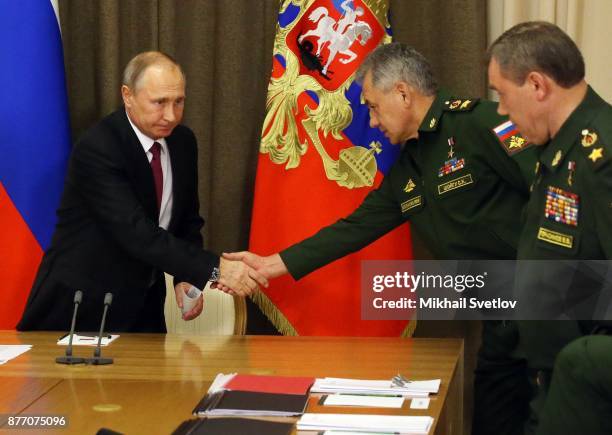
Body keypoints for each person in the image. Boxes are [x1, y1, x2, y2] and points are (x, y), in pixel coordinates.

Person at [225, 43, 536, 435]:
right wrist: (270, 264)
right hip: (500, 315)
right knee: (492, 419)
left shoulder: (480, 124)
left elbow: (550, 192)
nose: (371, 122)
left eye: (372, 106)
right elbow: (355, 228)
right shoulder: (411, 164)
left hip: (548, 302)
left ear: (403, 94)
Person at [17, 51, 266, 333]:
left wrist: (185, 277)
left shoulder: (182, 142)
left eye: (179, 101)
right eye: (159, 102)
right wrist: (217, 268)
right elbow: (137, 233)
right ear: (128, 95)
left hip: (143, 307)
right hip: (82, 306)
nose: (171, 115)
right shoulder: (99, 147)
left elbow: (187, 221)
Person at [487, 21, 612, 434]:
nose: (501, 110)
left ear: (537, 86)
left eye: (502, 95)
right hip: (547, 372)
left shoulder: (602, 155)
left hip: (585, 386)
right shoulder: (557, 146)